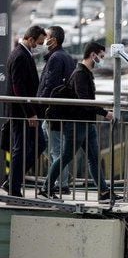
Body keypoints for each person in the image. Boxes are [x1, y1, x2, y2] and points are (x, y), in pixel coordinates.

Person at [39, 42, 122, 202]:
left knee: (93, 158)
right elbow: (84, 101)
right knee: (66, 156)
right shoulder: (79, 74)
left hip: (86, 123)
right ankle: (46, 187)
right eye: (101, 56)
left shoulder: (86, 73)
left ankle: (104, 192)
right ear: (93, 55)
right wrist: (105, 113)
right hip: (77, 124)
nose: (102, 60)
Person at [2, 26, 47, 197]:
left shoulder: (21, 53)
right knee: (21, 148)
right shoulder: (20, 55)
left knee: (37, 144)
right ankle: (13, 186)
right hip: (22, 113)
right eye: (39, 42)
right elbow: (18, 87)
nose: (39, 46)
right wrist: (30, 113)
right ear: (31, 39)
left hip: (24, 111)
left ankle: (12, 180)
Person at [37, 26, 75, 196]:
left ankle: (62, 182)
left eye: (48, 36)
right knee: (46, 143)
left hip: (53, 110)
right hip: (60, 110)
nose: (45, 39)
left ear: (55, 40)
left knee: (55, 148)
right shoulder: (66, 56)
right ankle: (61, 176)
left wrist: (39, 104)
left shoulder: (56, 58)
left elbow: (49, 84)